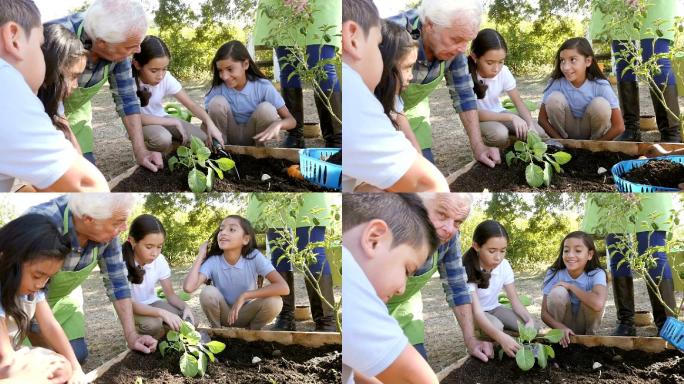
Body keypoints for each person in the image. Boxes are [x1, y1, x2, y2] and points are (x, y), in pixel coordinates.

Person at [24, 194, 157, 364]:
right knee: (43, 363)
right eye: (118, 223)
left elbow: (118, 283)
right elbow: (32, 296)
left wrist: (132, 335)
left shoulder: (106, 229)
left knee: (76, 356)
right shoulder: (42, 226)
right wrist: (51, 361)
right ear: (88, 219)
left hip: (64, 300)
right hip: (23, 305)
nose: (124, 228)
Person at [0, 0, 108, 192]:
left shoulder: (50, 103)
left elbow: (73, 148)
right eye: (38, 45)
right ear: (13, 38)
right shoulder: (7, 89)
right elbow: (89, 186)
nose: (75, 85)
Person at [341, 0, 448, 192]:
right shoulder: (355, 94)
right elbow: (430, 183)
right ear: (352, 38)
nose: (410, 76)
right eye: (376, 44)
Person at [47, 0, 164, 171]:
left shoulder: (119, 48)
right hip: (45, 113)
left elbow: (127, 99)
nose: (138, 50)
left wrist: (140, 151)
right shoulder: (55, 40)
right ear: (102, 43)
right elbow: (51, 106)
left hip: (76, 116)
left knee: (85, 168)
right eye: (131, 46)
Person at [388, 0, 501, 167]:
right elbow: (379, 97)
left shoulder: (457, 50)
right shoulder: (390, 35)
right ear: (429, 25)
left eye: (467, 41)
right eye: (456, 39)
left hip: (412, 113)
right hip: (377, 110)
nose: (462, 49)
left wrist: (478, 146)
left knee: (424, 170)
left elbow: (464, 96)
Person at [342, 193, 440, 384]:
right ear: (374, 239)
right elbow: (417, 380)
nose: (402, 289)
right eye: (407, 269)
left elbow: (350, 364)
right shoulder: (353, 282)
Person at [387, 193, 494, 363]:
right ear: (418, 205)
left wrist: (470, 339)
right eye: (442, 214)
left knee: (416, 364)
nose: (450, 229)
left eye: (458, 222)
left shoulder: (448, 239)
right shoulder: (389, 225)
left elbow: (457, 286)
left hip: (404, 308)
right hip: (368, 307)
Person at [0, 215, 87, 383]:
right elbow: (6, 360)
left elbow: (50, 325)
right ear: (6, 259)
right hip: (5, 360)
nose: (41, 284)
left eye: (48, 278)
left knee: (60, 365)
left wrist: (75, 367)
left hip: (9, 357)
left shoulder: (31, 289)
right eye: (37, 275)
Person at [582, 194, 676, 336]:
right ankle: (625, 323)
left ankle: (667, 324)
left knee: (653, 251)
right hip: (611, 194)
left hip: (647, 191)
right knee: (617, 253)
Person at [253, 0, 342, 148]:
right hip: (279, 5)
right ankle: (294, 134)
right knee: (288, 68)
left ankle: (336, 139)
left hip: (320, 4)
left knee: (322, 68)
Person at [590, 0, 682, 143]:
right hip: (616, 5)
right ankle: (631, 129)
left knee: (656, 58)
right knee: (624, 59)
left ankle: (671, 134)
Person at [246, 193, 337, 332]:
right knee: (279, 252)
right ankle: (285, 316)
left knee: (312, 251)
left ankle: (327, 320)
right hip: (270, 199)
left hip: (307, 197)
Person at [183, 215, 288, 330]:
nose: (223, 233)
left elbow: (283, 287)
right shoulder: (213, 261)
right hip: (224, 315)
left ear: (245, 239)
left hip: (248, 313)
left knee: (275, 301)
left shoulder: (254, 257)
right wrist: (200, 256)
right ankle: (218, 333)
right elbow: (188, 287)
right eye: (221, 229)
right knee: (207, 292)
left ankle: (252, 334)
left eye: (232, 229)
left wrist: (245, 296)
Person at [132, 35, 222, 153]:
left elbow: (191, 105)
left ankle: (171, 148)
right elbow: (135, 118)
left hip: (161, 118)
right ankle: (145, 153)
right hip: (138, 125)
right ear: (137, 65)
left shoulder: (166, 78)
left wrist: (210, 124)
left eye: (164, 69)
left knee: (202, 140)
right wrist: (172, 121)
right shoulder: (128, 82)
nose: (160, 76)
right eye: (154, 70)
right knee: (162, 138)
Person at [463, 220, 538, 359]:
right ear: (476, 246)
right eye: (492, 251)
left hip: (494, 308)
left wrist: (529, 320)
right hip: (473, 314)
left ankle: (500, 340)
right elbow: (478, 313)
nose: (498, 257)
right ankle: (488, 341)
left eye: (503, 251)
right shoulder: (466, 269)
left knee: (531, 329)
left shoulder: (504, 265)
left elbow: (514, 300)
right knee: (497, 327)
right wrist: (501, 337)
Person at [204, 40, 296, 146]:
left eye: (230, 69)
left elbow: (291, 121)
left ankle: (259, 156)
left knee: (267, 109)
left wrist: (278, 124)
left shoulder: (263, 86)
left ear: (245, 64)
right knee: (216, 102)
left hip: (255, 139)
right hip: (226, 138)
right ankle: (220, 151)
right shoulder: (218, 88)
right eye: (220, 70)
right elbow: (207, 119)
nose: (224, 76)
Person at [467, 28, 548, 148]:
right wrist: (511, 117)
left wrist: (530, 124)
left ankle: (511, 143)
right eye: (490, 63)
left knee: (538, 133)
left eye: (501, 62)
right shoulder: (466, 76)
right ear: (475, 57)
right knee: (500, 134)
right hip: (477, 120)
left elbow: (518, 103)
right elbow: (474, 113)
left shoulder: (503, 72)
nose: (496, 68)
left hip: (499, 113)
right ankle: (485, 147)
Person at [124, 214, 196, 339]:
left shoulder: (160, 260)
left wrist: (186, 307)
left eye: (159, 247)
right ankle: (134, 337)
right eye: (149, 247)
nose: (155, 253)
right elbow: (129, 304)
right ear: (132, 241)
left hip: (152, 302)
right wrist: (162, 313)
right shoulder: (121, 264)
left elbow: (171, 295)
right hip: (128, 307)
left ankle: (165, 336)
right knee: (153, 324)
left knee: (189, 321)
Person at [538, 37, 625, 141]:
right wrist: (560, 142)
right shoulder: (557, 83)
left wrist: (596, 146)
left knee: (601, 104)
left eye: (572, 60)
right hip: (565, 134)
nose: (565, 67)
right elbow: (542, 119)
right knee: (553, 99)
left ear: (588, 61)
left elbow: (619, 126)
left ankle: (593, 141)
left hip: (592, 138)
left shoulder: (601, 85)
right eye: (562, 60)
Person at [541, 231, 607, 347]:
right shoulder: (554, 273)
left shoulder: (597, 274)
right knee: (558, 292)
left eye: (578, 251)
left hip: (586, 326)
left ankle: (588, 343)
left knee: (592, 297)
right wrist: (560, 328)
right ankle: (560, 340)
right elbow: (544, 313)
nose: (570, 255)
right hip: (562, 326)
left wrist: (571, 286)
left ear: (590, 254)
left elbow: (597, 304)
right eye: (566, 250)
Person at [37, 24, 87, 153]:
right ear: (52, 70)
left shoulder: (53, 99)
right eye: (73, 76)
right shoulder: (28, 106)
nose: (76, 85)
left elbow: (75, 150)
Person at [374, 19, 421, 152]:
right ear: (385, 65)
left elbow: (409, 138)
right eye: (407, 67)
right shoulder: (369, 104)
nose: (411, 76)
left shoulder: (394, 99)